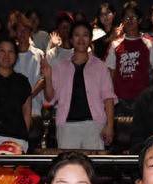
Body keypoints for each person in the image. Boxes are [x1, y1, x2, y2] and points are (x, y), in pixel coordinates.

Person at [42, 21, 116, 150]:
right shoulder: (60, 67)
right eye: (77, 35)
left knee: (93, 163)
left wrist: (110, 126)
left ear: (90, 39)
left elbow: (108, 98)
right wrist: (48, 77)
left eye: (85, 35)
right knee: (67, 162)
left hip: (94, 126)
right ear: (71, 39)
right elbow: (50, 98)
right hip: (67, 127)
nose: (81, 39)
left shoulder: (100, 66)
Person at [106, 1, 153, 116]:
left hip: (142, 101)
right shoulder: (115, 44)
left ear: (139, 20)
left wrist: (148, 94)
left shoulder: (148, 44)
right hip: (120, 101)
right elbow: (110, 76)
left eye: (133, 17)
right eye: (126, 17)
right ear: (122, 21)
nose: (130, 20)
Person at [12, 14, 45, 150]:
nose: (22, 33)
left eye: (25, 30)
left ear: (30, 32)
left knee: (33, 149)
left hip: (34, 111)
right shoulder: (11, 55)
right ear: (15, 33)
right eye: (19, 30)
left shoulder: (39, 54)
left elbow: (43, 78)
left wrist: (29, 95)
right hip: (13, 111)